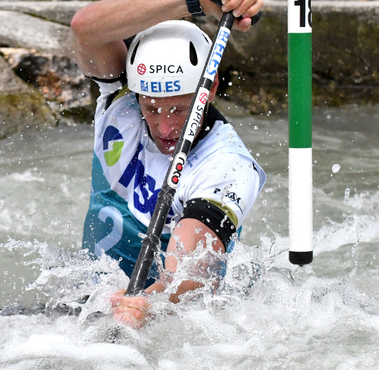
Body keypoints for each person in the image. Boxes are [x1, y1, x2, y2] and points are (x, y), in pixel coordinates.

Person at [71, 0, 266, 329]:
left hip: (172, 322)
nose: (164, 129)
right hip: (92, 300)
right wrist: (198, 1)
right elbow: (85, 28)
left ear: (211, 86)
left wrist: (148, 302)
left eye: (178, 110)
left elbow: (190, 273)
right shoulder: (122, 98)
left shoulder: (228, 167)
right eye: (152, 108)